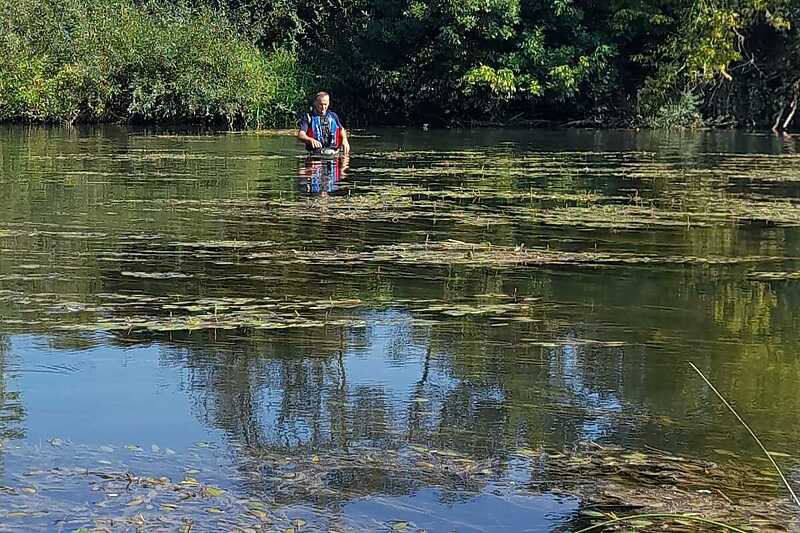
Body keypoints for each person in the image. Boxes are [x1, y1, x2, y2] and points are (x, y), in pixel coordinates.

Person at [297, 92, 351, 156]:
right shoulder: (308, 117)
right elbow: (301, 134)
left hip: (333, 153)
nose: (323, 107)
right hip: (315, 155)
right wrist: (310, 140)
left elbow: (341, 129)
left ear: (328, 103)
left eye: (325, 104)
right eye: (321, 104)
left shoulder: (333, 116)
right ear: (315, 103)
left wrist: (345, 140)